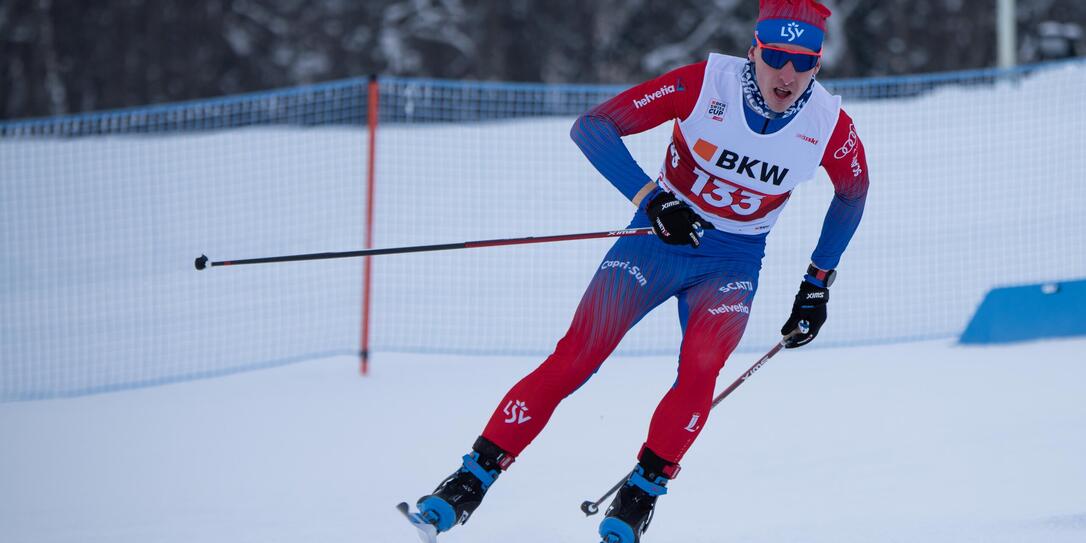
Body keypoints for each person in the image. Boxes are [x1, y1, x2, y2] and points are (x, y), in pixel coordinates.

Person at [407, 1, 869, 541]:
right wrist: (652, 200)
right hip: (656, 241)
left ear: (817, 65)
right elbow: (592, 127)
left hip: (732, 262)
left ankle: (640, 496)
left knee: (700, 371)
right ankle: (469, 480)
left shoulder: (829, 125)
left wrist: (817, 284)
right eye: (776, 57)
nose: (787, 74)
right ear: (754, 51)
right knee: (577, 355)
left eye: (803, 62)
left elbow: (853, 194)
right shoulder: (703, 85)